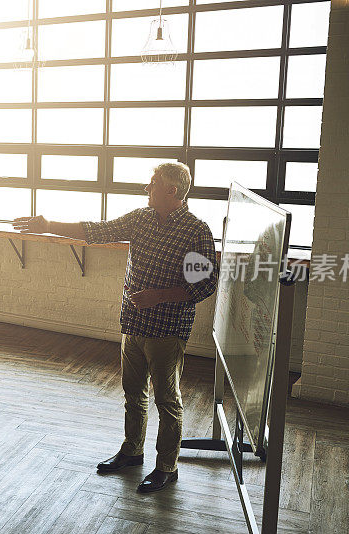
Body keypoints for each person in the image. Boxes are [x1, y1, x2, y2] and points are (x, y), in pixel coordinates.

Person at [13, 162, 218, 493]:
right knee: (133, 392)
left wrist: (158, 297)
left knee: (167, 400)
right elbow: (97, 230)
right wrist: (48, 225)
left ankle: (167, 466)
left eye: (153, 184)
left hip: (167, 331)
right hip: (133, 324)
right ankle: (131, 452)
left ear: (172, 191)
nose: (146, 188)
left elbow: (204, 285)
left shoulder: (195, 231)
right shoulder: (141, 218)